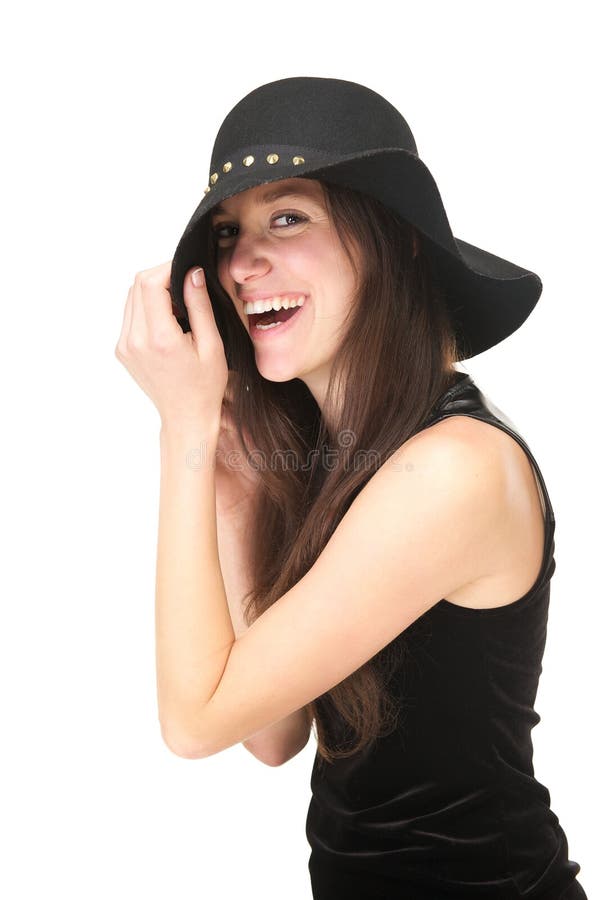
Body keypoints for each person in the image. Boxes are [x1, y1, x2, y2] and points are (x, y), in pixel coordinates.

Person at [116, 77, 587, 899]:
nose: (241, 263)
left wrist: (181, 432)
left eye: (287, 217)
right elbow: (269, 733)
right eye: (228, 232)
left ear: (393, 240)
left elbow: (194, 722)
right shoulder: (346, 462)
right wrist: (228, 476)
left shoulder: (450, 469)